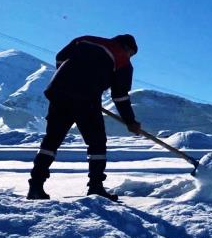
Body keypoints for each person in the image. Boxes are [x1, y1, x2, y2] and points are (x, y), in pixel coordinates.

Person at [27, 34, 141, 201]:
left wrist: (69, 81)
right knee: (97, 143)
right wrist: (130, 122)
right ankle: (96, 187)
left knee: (51, 141)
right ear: (127, 48)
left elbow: (60, 57)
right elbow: (120, 96)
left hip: (58, 93)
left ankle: (35, 186)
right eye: (132, 53)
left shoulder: (85, 40)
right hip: (86, 100)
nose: (130, 57)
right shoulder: (123, 60)